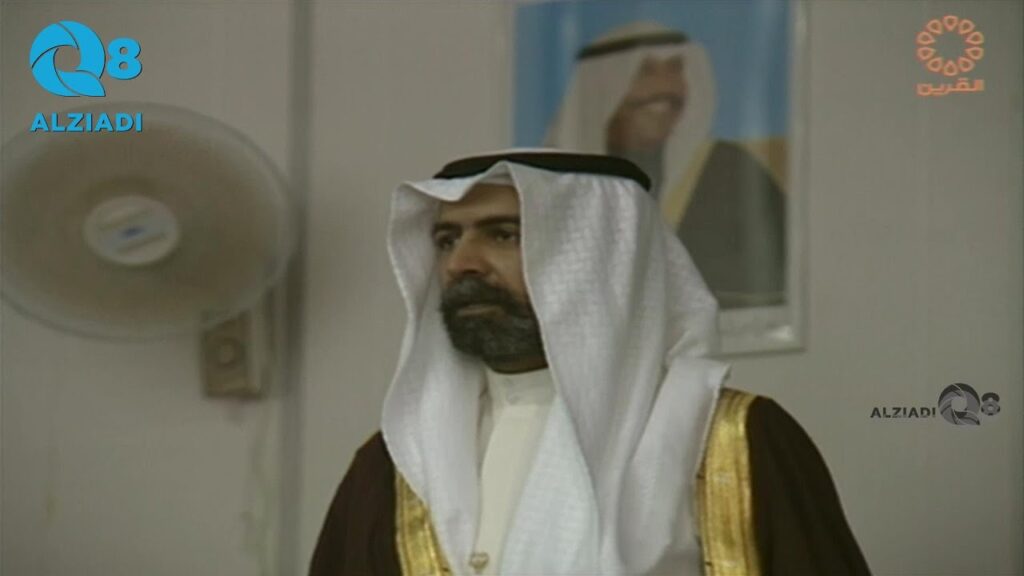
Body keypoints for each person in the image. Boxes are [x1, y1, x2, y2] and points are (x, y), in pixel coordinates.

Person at [309, 150, 870, 575]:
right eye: (447, 240)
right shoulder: (393, 467)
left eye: (504, 235)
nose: (462, 264)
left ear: (600, 256)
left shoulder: (731, 443)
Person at [544, 22, 787, 309]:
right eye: (644, 70)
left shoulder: (728, 170)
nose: (666, 86)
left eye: (675, 68)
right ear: (600, 89)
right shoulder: (552, 186)